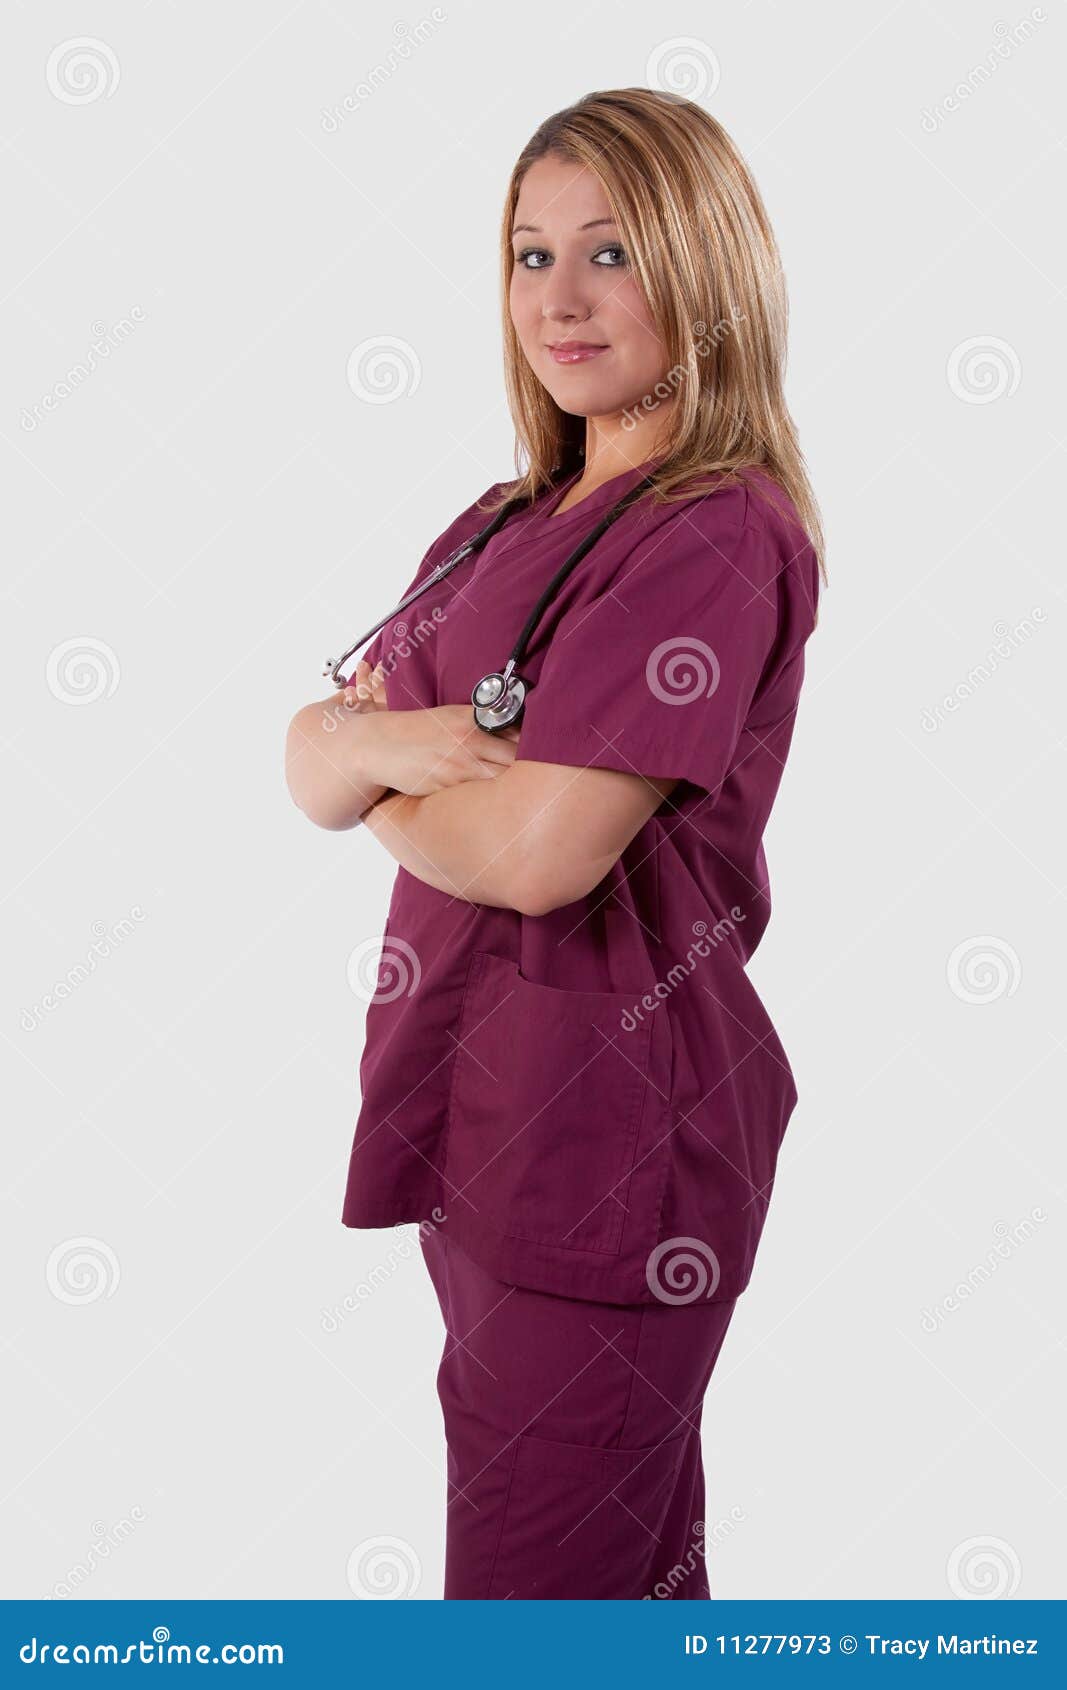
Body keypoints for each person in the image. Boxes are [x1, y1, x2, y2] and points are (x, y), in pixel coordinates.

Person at [285, 87, 825, 1600]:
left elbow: (539, 856)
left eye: (611, 252)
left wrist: (373, 761)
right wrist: (392, 753)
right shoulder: (504, 515)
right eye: (530, 256)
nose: (562, 299)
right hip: (489, 1125)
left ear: (702, 266)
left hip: (610, 1154)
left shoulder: (711, 529)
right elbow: (308, 756)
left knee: (538, 1608)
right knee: (614, 1584)